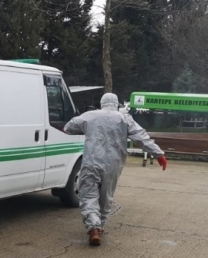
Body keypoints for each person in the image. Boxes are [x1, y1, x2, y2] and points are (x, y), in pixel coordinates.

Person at [64, 93, 167, 247]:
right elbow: (141, 136)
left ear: (102, 102)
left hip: (92, 161)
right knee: (106, 195)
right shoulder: (124, 118)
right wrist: (158, 154)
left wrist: (84, 128)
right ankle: (100, 225)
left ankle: (93, 227)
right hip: (113, 163)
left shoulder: (90, 116)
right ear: (116, 104)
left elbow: (69, 127)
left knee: (87, 193)